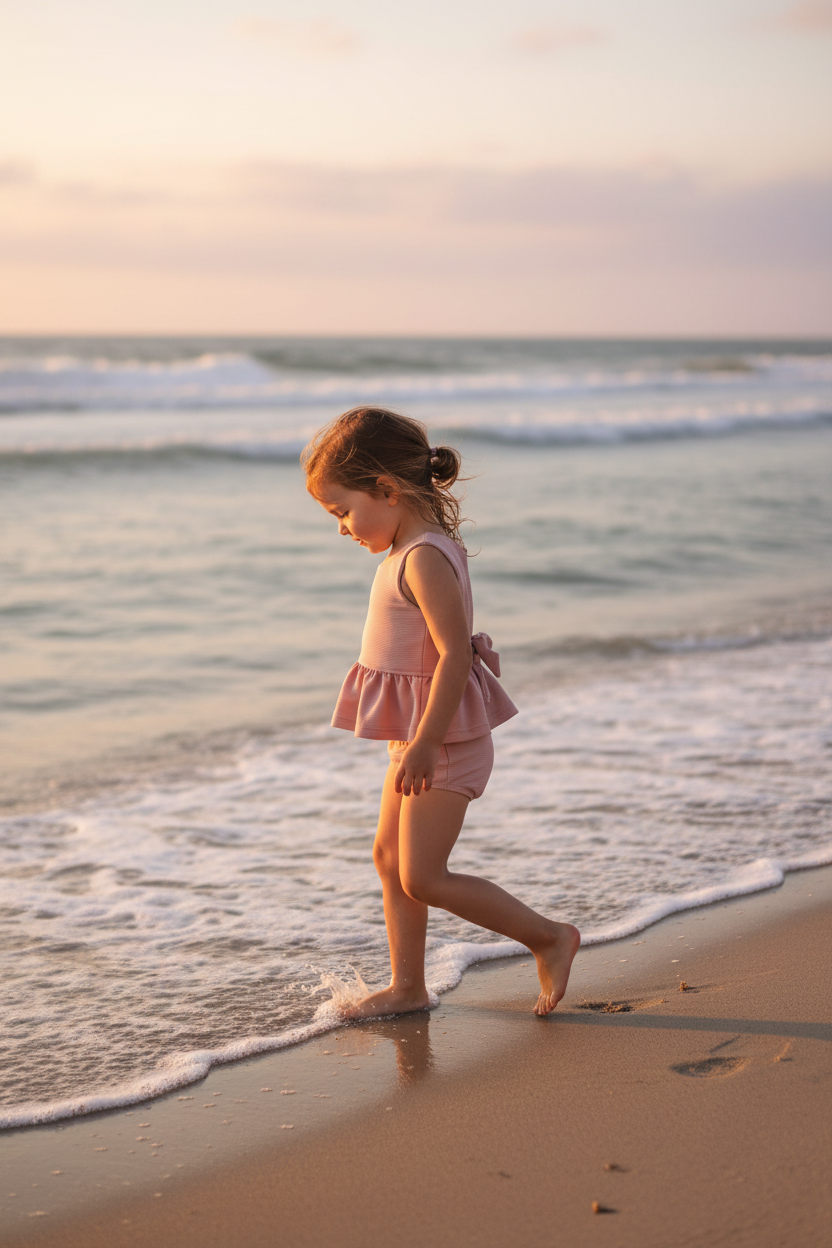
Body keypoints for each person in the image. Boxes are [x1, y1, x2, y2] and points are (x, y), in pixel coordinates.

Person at [302, 407, 580, 1019]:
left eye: (342, 510)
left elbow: (455, 653)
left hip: (444, 739)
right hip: (422, 735)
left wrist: (426, 743)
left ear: (387, 490)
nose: (343, 528)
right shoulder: (408, 550)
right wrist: (415, 740)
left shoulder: (424, 556)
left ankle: (550, 937)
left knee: (423, 876)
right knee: (390, 859)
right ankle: (408, 987)